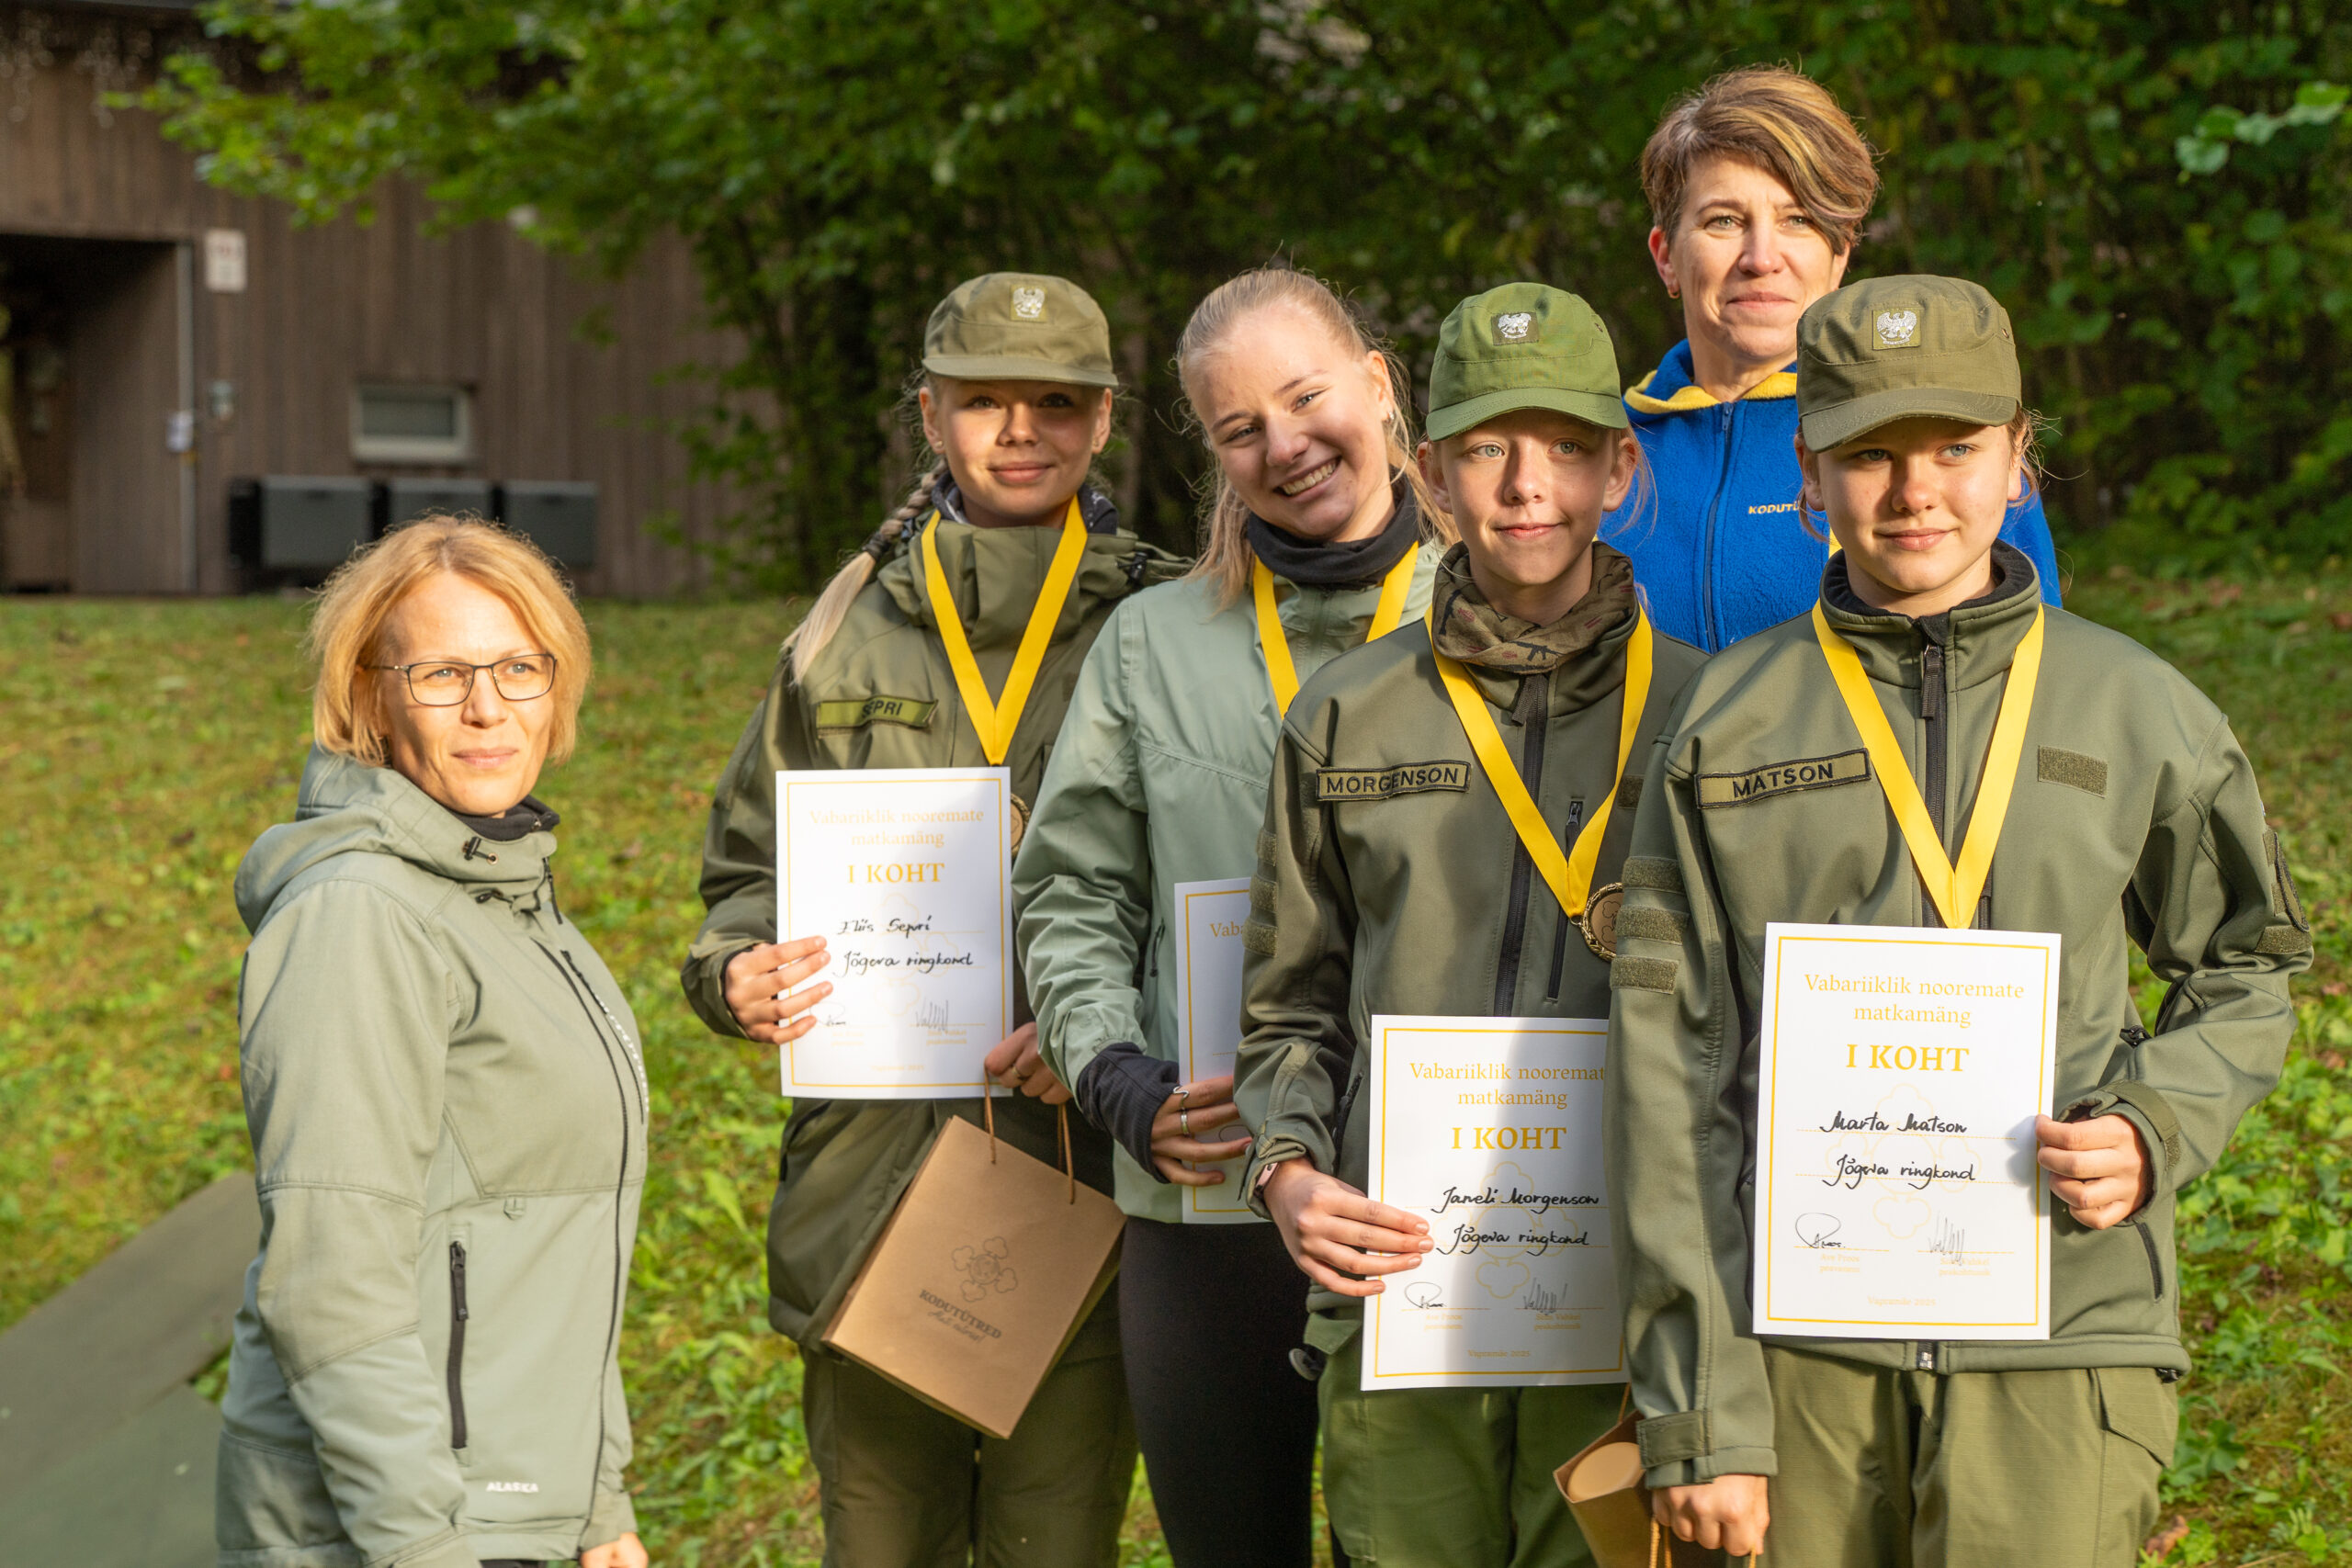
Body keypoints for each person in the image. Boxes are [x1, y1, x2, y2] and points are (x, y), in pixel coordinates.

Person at [1607, 276, 2309, 1565]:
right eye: (1867, 453)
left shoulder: (2137, 707)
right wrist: (1702, 1403)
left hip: (2061, 1330)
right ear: (1808, 473)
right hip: (1797, 1343)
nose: (1913, 491)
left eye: (1953, 448)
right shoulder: (1723, 723)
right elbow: (1668, 1063)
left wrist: (2153, 1124)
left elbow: (2249, 964)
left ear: (2017, 457)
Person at [679, 272, 1184, 1568]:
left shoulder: (1172, 627)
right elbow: (748, 868)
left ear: (1105, 418)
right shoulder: (843, 633)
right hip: (874, 1178)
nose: (1020, 429)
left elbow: (1230, 888)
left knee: (1055, 1544)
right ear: (928, 415)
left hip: (1083, 1175)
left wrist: (1109, 1029)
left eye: (1056, 402)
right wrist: (733, 968)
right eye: (983, 400)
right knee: (881, 1543)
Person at [1232, 283, 1709, 1568]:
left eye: (1564, 446)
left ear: (1619, 468)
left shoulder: (1711, 717)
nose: (1525, 484)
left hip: (1624, 1296)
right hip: (1405, 1288)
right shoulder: (1348, 715)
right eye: (1487, 447)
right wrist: (1288, 1169)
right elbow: (1287, 1002)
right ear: (1431, 472)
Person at [1012, 266, 1453, 1568]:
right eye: (1240, 428)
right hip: (1208, 1189)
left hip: (1428, 1185)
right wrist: (1111, 1069)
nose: (1287, 445)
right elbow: (1074, 885)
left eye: (1307, 398)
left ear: (1378, 383)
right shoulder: (1152, 642)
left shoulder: (1491, 614)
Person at [219, 517, 649, 1568]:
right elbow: (330, 1285)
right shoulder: (363, 915)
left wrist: (594, 1503)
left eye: (519, 667)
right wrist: (423, 1548)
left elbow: (546, 1242)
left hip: (510, 1508)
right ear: (368, 696)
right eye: (442, 674)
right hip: (401, 1528)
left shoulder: (504, 894)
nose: (488, 707)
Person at [1602, 63, 2064, 651]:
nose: (1761, 257)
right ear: (1666, 256)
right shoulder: (1596, 454)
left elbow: (2029, 670)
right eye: (1725, 221)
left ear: (1840, 254)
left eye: (1797, 220)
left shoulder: (1946, 439)